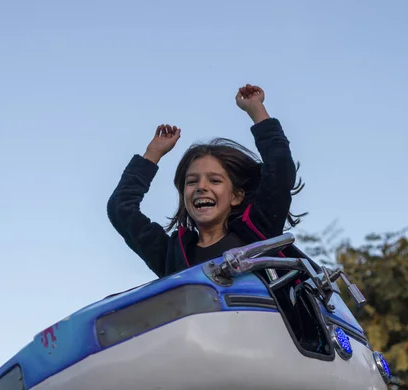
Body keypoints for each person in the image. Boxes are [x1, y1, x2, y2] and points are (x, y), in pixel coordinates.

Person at [107, 84, 305, 279]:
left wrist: (256, 109)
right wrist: (152, 154)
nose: (201, 187)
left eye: (215, 180)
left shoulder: (258, 229)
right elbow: (120, 209)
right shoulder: (171, 256)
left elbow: (279, 169)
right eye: (192, 182)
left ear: (236, 196)